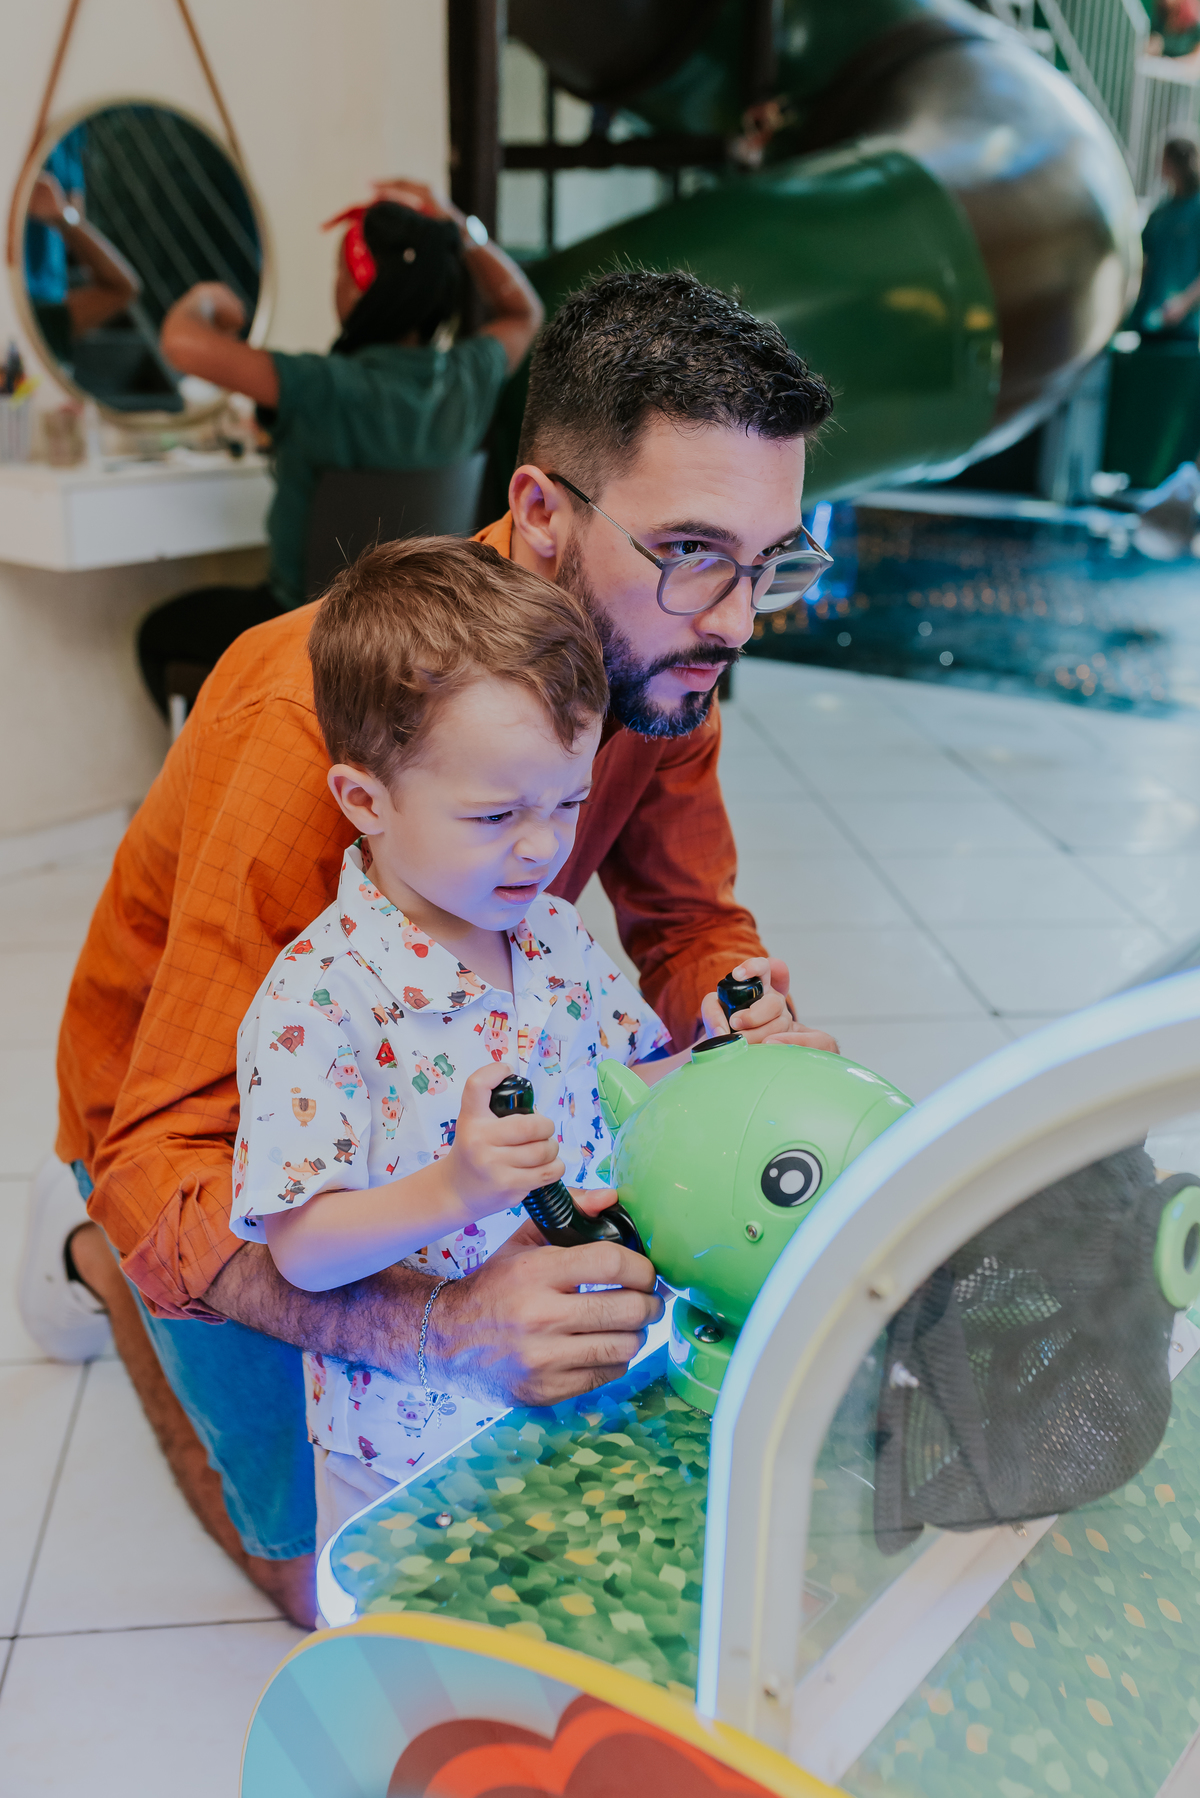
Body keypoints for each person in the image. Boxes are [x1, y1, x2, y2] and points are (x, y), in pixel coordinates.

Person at [26, 264, 835, 1629]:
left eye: (772, 563)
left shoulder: (658, 662)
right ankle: (89, 1274)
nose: (737, 621)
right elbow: (167, 1165)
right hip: (187, 1129)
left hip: (444, 1108)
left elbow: (689, 922)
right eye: (694, 551)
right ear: (538, 513)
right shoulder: (317, 725)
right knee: (322, 1584)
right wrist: (445, 1328)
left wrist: (736, 1008)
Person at [237, 537, 786, 1540]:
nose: (542, 845)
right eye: (495, 814)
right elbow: (302, 1247)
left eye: (568, 802)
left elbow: (631, 1080)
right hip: (404, 1454)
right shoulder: (320, 997)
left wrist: (716, 1046)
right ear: (365, 800)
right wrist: (454, 1188)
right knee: (409, 1672)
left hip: (573, 1390)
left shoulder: (550, 931)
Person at [135, 180, 543, 717]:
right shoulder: (468, 379)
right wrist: (457, 226)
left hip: (304, 629)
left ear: (357, 289)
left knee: (157, 634)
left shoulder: (321, 387)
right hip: (418, 638)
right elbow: (523, 311)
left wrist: (210, 298)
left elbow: (180, 343)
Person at [24, 168, 141, 366]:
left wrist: (62, 215)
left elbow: (123, 288)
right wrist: (62, 216)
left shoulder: (37, 322)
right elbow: (121, 288)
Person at [1131, 138, 1200, 342]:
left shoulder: (1196, 210)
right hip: (1148, 321)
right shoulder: (1160, 213)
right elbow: (1142, 261)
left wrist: (1184, 304)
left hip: (1184, 330)